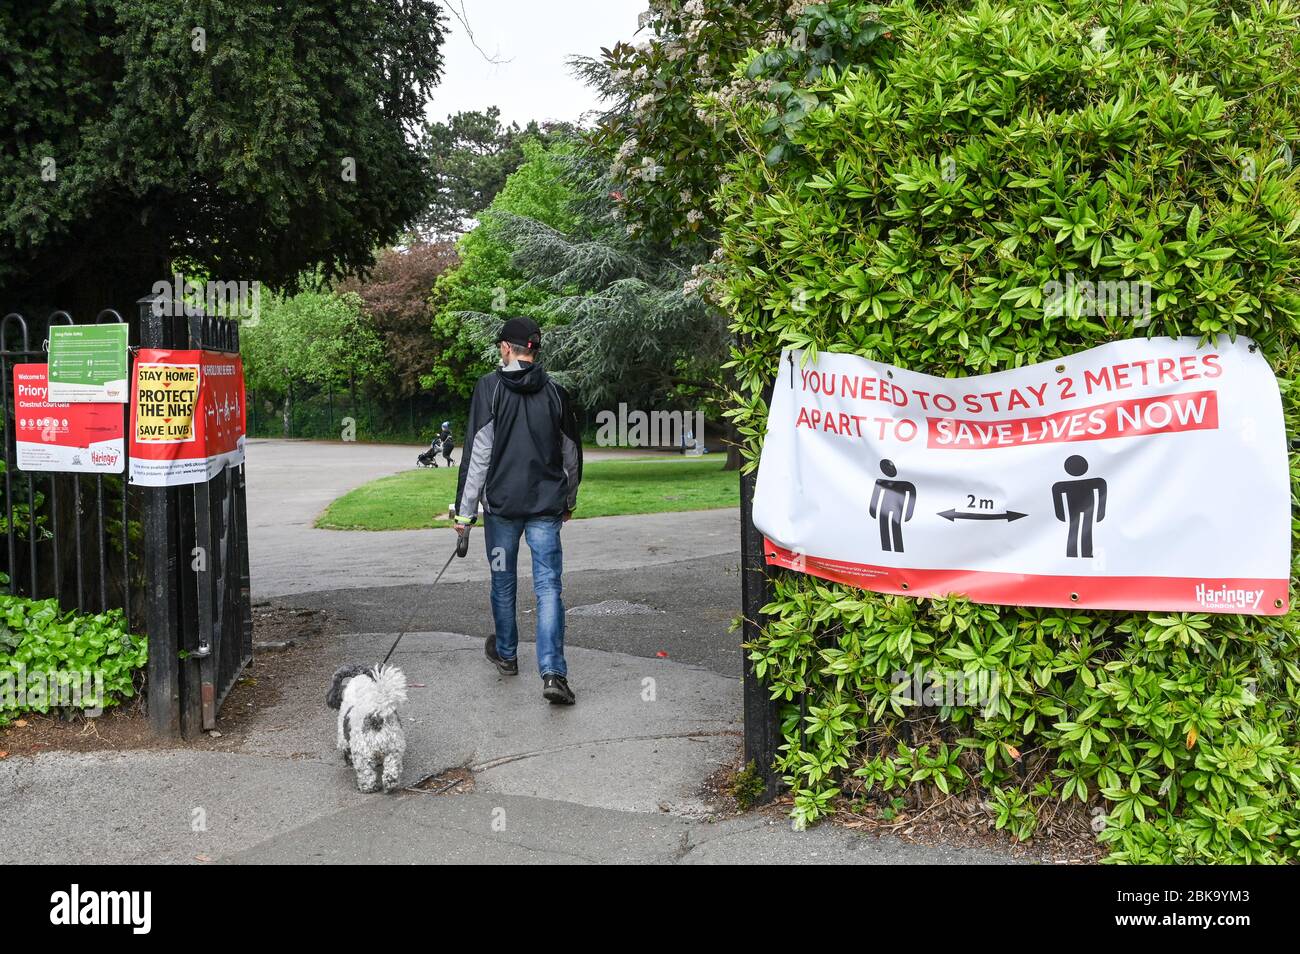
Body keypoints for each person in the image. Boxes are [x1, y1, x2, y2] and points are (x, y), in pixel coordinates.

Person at [454, 317, 583, 705]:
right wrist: (569, 501)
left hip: (501, 511)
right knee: (548, 588)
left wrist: (464, 517)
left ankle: (507, 655)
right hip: (546, 509)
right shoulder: (557, 393)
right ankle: (553, 673)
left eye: (500, 347)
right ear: (534, 350)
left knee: (503, 582)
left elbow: (478, 455)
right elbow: (571, 455)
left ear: (507, 349)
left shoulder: (489, 389)